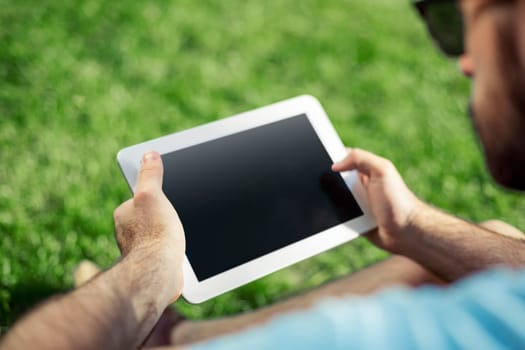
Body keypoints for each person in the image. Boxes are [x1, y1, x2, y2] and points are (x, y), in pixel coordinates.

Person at [2, 0, 525, 349]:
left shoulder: (398, 333)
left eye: (455, 22)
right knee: (497, 244)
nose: (464, 62)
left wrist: (149, 269)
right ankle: (182, 339)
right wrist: (410, 225)